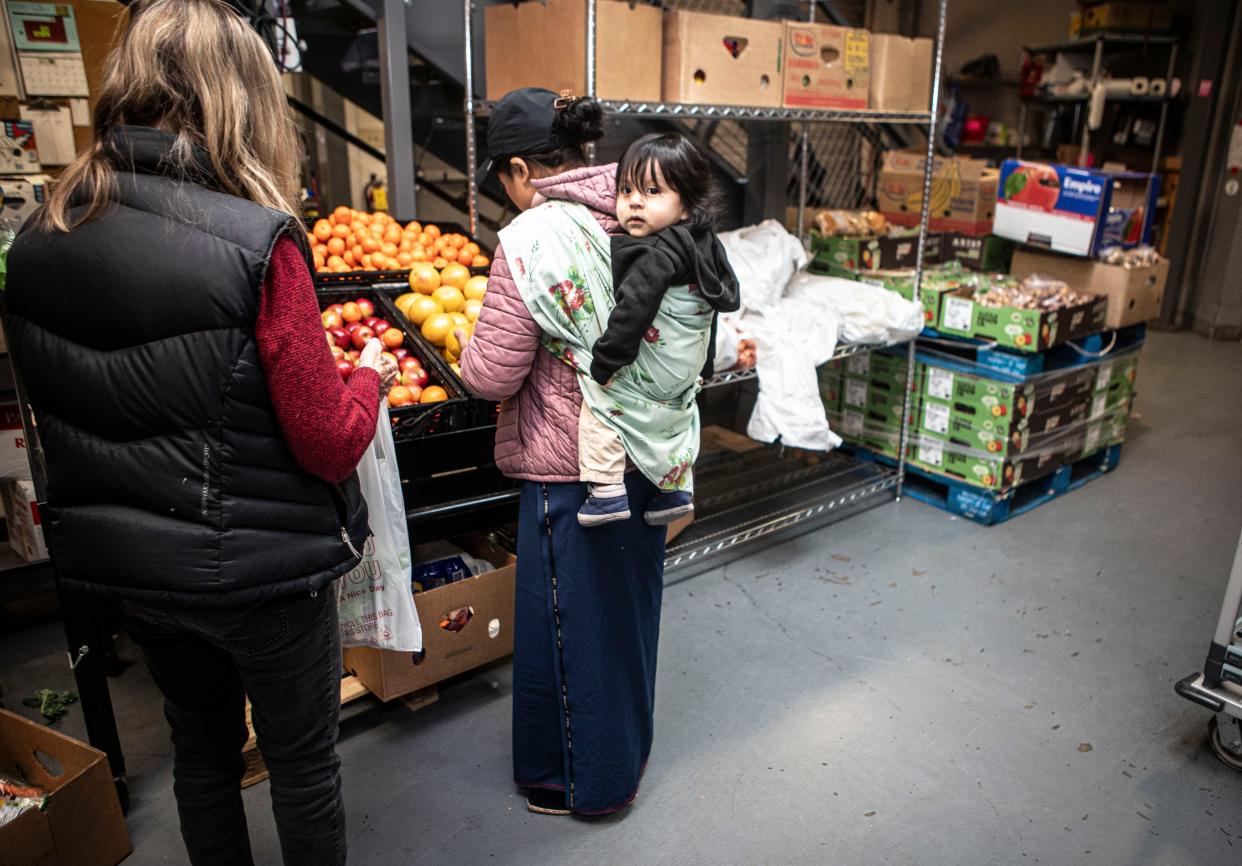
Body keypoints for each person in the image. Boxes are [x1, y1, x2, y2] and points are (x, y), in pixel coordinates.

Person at [3, 2, 396, 864]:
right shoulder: (256, 243)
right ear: (242, 95)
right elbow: (329, 442)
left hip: (135, 568)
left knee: (202, 754)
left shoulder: (38, 238)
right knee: (300, 764)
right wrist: (369, 374)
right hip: (263, 572)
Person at [458, 87, 666, 817]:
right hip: (647, 456)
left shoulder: (531, 239)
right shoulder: (643, 204)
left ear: (519, 169)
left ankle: (584, 784)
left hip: (569, 468)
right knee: (625, 619)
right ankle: (624, 758)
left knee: (566, 627)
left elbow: (492, 373)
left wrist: (464, 343)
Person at [574, 132, 740, 528]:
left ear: (687, 205)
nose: (634, 201)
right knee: (679, 416)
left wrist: (606, 361)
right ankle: (674, 491)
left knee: (600, 403)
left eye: (652, 190)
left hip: (657, 366)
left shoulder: (657, 254)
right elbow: (712, 311)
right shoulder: (708, 245)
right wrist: (707, 365)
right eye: (626, 189)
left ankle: (607, 492)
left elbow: (634, 310)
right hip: (687, 366)